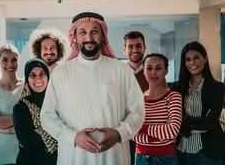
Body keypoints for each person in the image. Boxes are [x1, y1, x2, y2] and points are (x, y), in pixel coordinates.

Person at [40, 12, 145, 165]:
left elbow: (138, 111)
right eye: (83, 32)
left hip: (113, 156)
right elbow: (47, 116)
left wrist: (119, 133)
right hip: (73, 156)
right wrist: (73, 137)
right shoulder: (61, 72)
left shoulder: (121, 70)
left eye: (94, 31)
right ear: (74, 37)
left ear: (103, 35)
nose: (89, 38)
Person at [175, 41, 225, 165]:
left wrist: (183, 126)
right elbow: (173, 120)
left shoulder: (217, 88)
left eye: (196, 57)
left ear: (205, 59)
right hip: (180, 152)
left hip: (208, 153)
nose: (192, 63)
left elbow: (210, 122)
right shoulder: (176, 88)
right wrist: (196, 126)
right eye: (187, 59)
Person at [133, 53, 182, 165]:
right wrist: (161, 136)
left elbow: (172, 131)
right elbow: (131, 132)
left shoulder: (173, 96)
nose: (153, 72)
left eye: (158, 68)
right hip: (141, 158)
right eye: (149, 68)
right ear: (144, 71)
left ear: (166, 70)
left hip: (167, 159)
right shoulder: (137, 99)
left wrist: (141, 128)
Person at [13, 58, 57, 165]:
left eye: (42, 74)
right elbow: (28, 141)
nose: (38, 79)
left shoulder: (56, 103)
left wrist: (41, 132)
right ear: (27, 79)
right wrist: (59, 135)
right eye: (32, 75)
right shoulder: (20, 108)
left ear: (48, 77)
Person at [123, 31, 149, 165]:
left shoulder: (153, 72)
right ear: (124, 50)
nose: (135, 50)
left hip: (148, 134)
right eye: (130, 46)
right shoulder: (118, 72)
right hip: (124, 135)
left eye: (138, 46)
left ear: (144, 47)